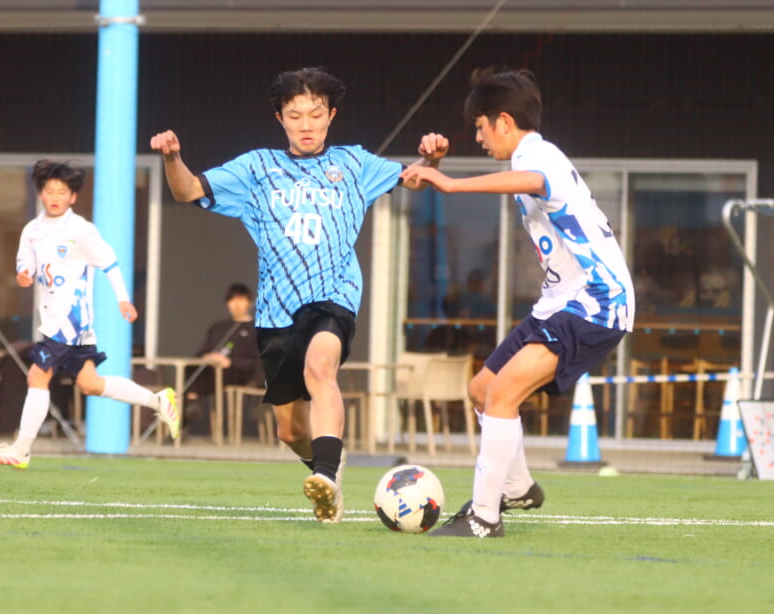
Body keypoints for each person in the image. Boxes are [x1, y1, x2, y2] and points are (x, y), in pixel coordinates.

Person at [150, 66, 439, 522]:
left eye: (316, 114)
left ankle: (324, 474)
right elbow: (187, 190)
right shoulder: (256, 168)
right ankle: (330, 464)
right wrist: (172, 157)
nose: (307, 125)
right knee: (289, 430)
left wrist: (433, 159)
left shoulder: (355, 163)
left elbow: (418, 179)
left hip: (334, 296)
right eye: (296, 115)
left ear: (332, 116)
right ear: (280, 119)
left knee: (320, 368)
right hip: (276, 311)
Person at [401, 68, 635, 537]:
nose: (478, 137)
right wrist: (434, 167)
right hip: (560, 302)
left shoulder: (539, 156)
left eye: (480, 126)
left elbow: (534, 181)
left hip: (597, 301)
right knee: (483, 390)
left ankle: (484, 518)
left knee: (504, 394)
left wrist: (449, 183)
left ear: (503, 121)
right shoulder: (530, 155)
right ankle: (518, 487)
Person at [0, 160, 179, 470]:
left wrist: (123, 300)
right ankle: (159, 400)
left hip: (71, 320)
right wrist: (23, 274)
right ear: (41, 194)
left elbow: (110, 264)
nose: (55, 197)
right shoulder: (31, 230)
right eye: (50, 191)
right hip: (53, 319)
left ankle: (21, 450)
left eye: (62, 192)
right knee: (90, 383)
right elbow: (25, 264)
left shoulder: (81, 230)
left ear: (73, 197)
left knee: (37, 375)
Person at [185, 283, 261, 405]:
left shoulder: (257, 329)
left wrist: (230, 362)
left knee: (218, 376)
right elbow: (203, 351)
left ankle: (192, 404)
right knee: (190, 368)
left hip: (240, 373)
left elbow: (258, 361)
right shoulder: (218, 328)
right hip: (213, 370)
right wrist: (207, 357)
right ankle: (191, 404)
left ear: (249, 302)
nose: (236, 305)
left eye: (241, 300)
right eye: (232, 300)